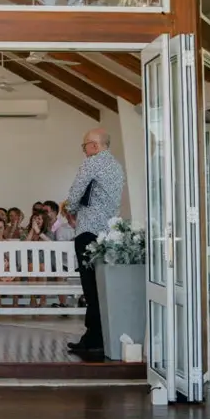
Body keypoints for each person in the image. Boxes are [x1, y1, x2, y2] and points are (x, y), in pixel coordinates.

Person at [64, 128, 124, 356]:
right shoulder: (117, 167)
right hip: (107, 233)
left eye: (85, 146)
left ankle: (93, 339)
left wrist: (68, 209)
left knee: (90, 288)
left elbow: (75, 192)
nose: (84, 151)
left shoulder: (92, 162)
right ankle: (99, 335)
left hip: (88, 231)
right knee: (102, 288)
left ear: (95, 146)